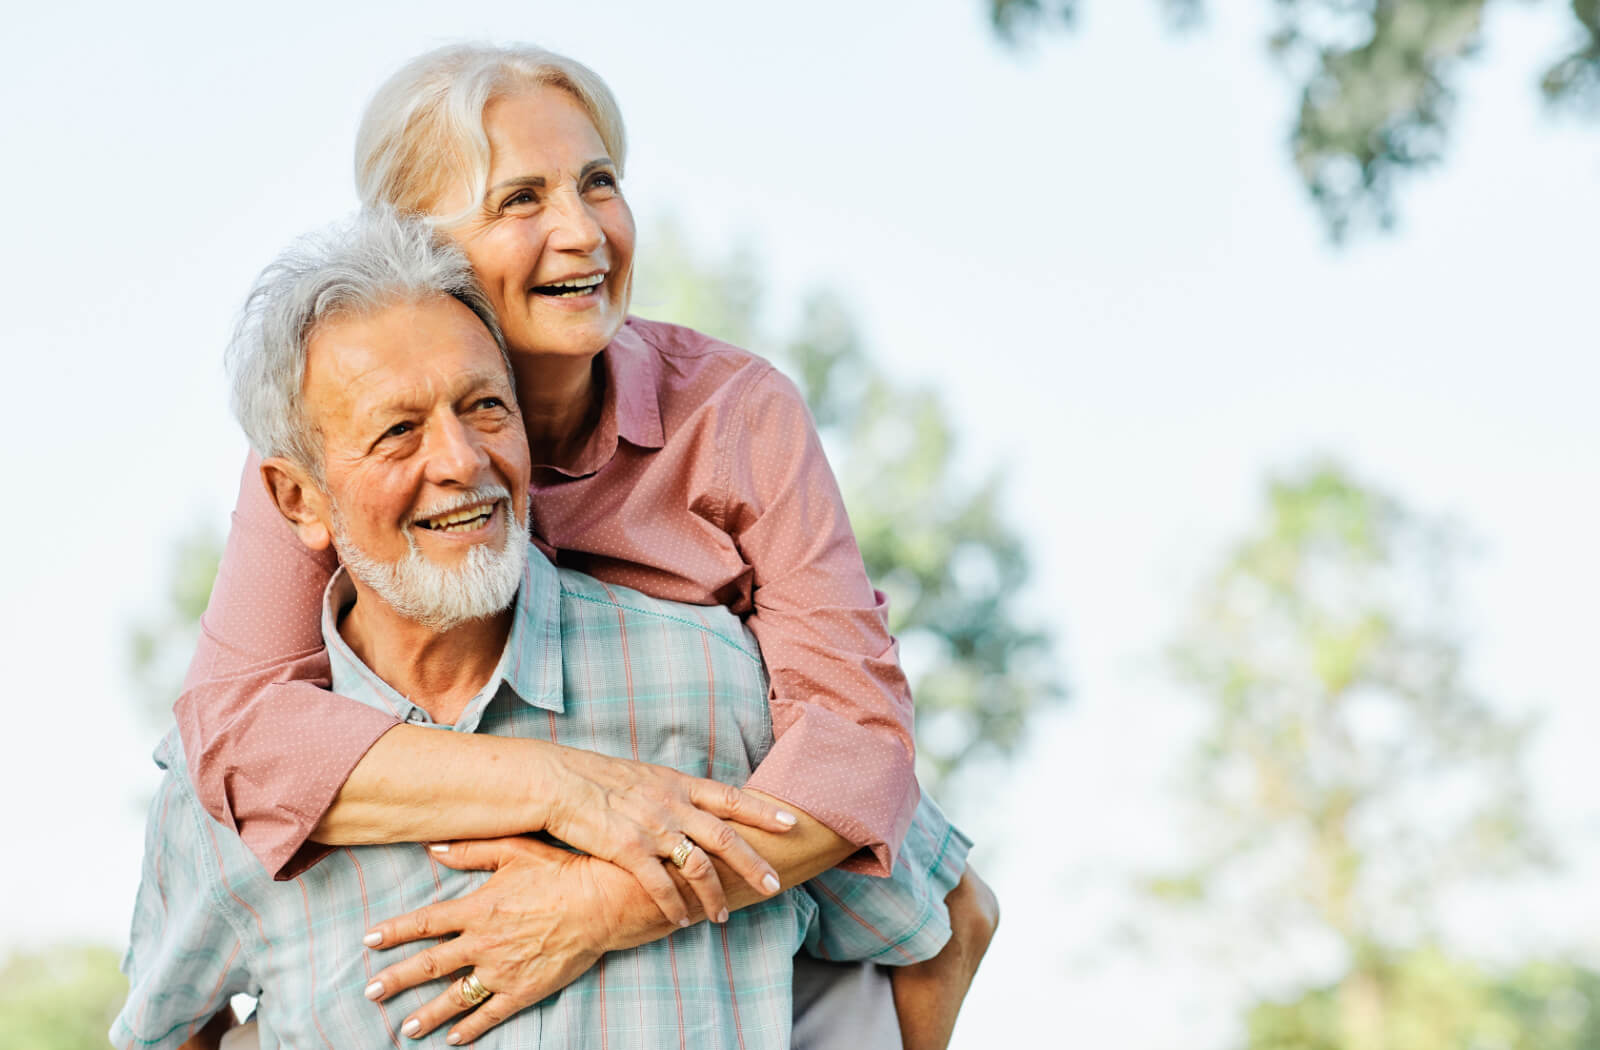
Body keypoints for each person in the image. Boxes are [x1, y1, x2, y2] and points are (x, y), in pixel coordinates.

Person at [174, 42, 996, 1047]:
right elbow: (236, 734)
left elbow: (858, 740)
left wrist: (597, 907)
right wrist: (576, 791)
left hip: (726, 823)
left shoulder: (733, 412)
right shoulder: (344, 436)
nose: (582, 231)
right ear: (412, 244)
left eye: (598, 182)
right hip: (561, 785)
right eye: (520, 198)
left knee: (948, 910)